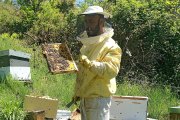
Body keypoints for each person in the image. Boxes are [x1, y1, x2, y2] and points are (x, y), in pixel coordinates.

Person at [73, 5, 122, 120]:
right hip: (86, 98)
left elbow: (111, 70)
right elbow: (84, 73)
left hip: (98, 100)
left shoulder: (111, 46)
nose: (87, 25)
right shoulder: (87, 46)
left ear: (101, 22)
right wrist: (78, 92)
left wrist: (89, 63)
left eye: (91, 21)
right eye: (86, 22)